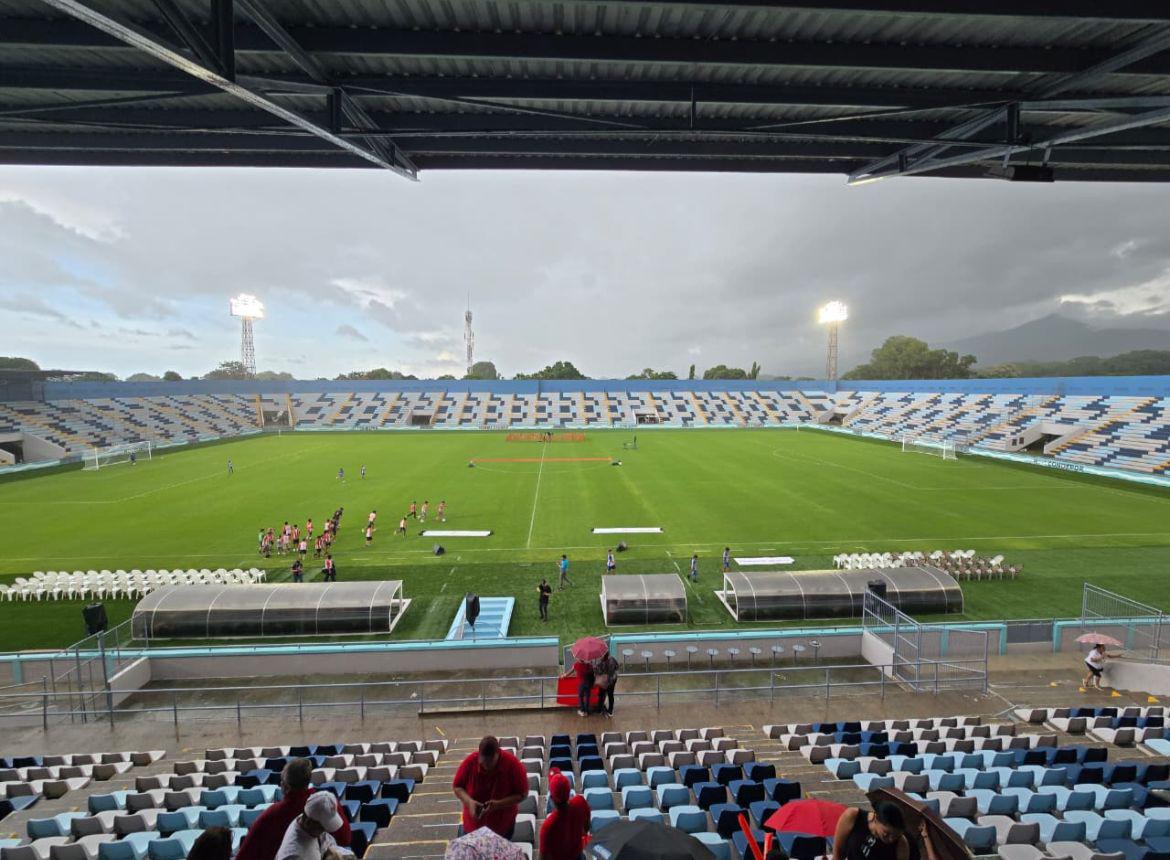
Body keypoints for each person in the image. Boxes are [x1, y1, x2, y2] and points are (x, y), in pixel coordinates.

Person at [236, 758, 351, 860]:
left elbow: (244, 855)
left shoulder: (269, 816)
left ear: (285, 786)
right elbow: (345, 839)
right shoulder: (327, 805)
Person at [452, 736, 528, 839]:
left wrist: (498, 804)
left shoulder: (513, 765)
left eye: (490, 762)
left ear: (498, 754)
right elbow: (457, 787)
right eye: (483, 762)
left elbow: (522, 794)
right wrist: (469, 802)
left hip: (501, 829)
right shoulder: (470, 762)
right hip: (473, 828)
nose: (486, 766)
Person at [275, 791, 350, 860]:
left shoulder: (305, 821)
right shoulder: (295, 856)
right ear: (308, 822)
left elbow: (325, 839)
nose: (324, 830)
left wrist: (338, 853)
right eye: (322, 828)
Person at [539, 767, 590, 860]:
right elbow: (587, 827)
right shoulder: (580, 802)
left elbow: (543, 857)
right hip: (577, 855)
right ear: (569, 791)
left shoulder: (548, 825)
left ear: (552, 798)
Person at [832, 803, 909, 860]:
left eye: (896, 836)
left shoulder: (901, 844)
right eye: (886, 833)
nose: (891, 839)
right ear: (876, 819)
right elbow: (837, 852)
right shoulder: (853, 816)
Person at [597, 649, 620, 718]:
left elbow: (598, 673)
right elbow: (617, 667)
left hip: (604, 682)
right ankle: (610, 711)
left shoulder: (600, 663)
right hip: (612, 682)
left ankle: (600, 710)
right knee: (610, 696)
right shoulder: (612, 660)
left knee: (601, 695)